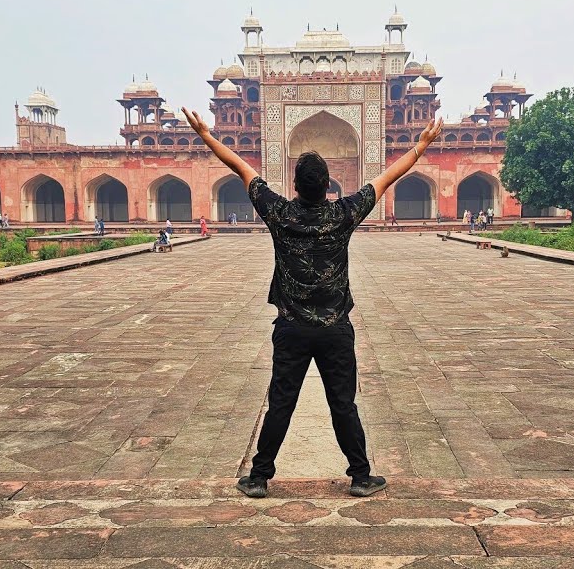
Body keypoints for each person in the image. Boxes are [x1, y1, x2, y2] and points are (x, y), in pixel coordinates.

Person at [181, 105, 444, 500]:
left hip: (291, 329)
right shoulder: (343, 213)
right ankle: (359, 476)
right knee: (343, 404)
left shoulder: (280, 212)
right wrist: (421, 146)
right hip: (335, 329)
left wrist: (204, 135)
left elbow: (241, 168)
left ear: (296, 185)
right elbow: (387, 177)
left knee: (281, 403)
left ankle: (258, 478)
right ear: (328, 186)